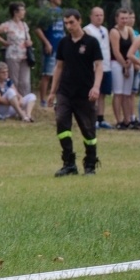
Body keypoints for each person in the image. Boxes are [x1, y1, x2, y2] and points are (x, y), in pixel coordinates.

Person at [47, 9, 103, 176]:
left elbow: (99, 66)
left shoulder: (91, 42)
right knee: (61, 123)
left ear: (79, 21)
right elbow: (59, 67)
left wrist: (96, 87)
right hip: (65, 92)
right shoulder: (64, 43)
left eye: (72, 22)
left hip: (85, 93)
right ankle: (69, 163)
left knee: (88, 130)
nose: (69, 26)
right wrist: (52, 91)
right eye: (66, 23)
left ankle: (90, 164)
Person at [0, 1, 32, 97]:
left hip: (25, 56)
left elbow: (28, 39)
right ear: (15, 12)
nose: (24, 12)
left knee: (25, 82)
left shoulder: (24, 25)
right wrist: (4, 42)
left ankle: (25, 103)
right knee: (14, 80)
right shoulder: (8, 25)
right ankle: (14, 103)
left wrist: (29, 42)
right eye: (22, 10)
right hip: (13, 56)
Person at [83, 6, 113, 129]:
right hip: (95, 67)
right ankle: (92, 118)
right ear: (91, 16)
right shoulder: (87, 30)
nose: (99, 17)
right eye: (97, 15)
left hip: (106, 65)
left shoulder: (105, 30)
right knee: (93, 93)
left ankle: (101, 118)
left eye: (101, 15)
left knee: (103, 94)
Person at [34, 0, 65, 107]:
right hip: (50, 47)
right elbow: (37, 28)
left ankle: (56, 98)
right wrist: (46, 42)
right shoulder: (45, 12)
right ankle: (42, 100)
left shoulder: (60, 11)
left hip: (60, 47)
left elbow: (63, 29)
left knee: (60, 74)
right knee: (47, 74)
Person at [109, 8, 135, 129]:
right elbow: (116, 51)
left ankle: (127, 119)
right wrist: (124, 65)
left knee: (127, 93)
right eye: (122, 18)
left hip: (129, 62)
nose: (124, 20)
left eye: (126, 18)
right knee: (118, 93)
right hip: (116, 63)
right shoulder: (114, 32)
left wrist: (130, 60)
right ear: (117, 19)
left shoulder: (129, 30)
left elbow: (133, 47)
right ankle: (118, 120)